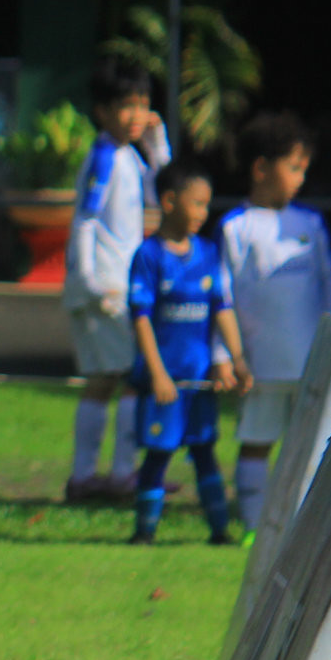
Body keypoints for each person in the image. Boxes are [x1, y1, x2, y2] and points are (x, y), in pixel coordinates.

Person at [217, 112, 331, 530]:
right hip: (261, 363)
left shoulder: (310, 224)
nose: (300, 178)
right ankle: (255, 528)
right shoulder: (235, 228)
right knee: (256, 440)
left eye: (304, 169)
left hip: (311, 359)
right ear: (260, 168)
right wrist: (227, 354)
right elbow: (221, 296)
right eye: (293, 168)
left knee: (310, 444)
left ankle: (299, 526)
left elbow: (330, 284)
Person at [64, 56, 171, 503]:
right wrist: (89, 280)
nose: (136, 114)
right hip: (105, 287)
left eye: (143, 103)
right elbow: (86, 221)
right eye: (126, 105)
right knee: (128, 376)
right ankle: (116, 474)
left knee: (108, 378)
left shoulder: (128, 156)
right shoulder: (104, 157)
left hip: (117, 285)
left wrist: (159, 146)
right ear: (102, 111)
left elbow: (163, 194)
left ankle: (90, 476)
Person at [127, 160, 250, 546]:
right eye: (196, 204)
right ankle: (144, 532)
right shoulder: (148, 256)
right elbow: (141, 319)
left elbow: (222, 308)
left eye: (206, 204)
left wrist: (237, 359)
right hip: (165, 383)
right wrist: (158, 374)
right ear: (168, 201)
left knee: (204, 452)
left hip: (199, 381)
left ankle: (219, 531)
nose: (202, 213)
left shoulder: (208, 253)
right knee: (159, 455)